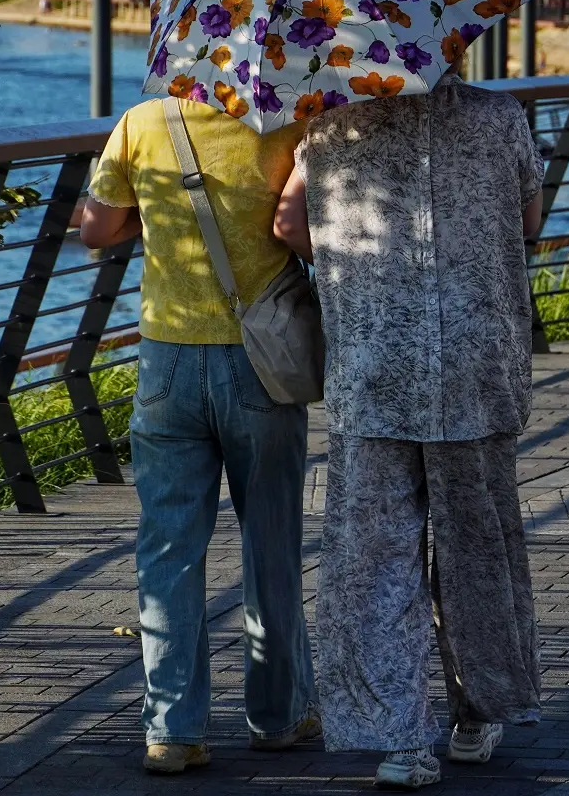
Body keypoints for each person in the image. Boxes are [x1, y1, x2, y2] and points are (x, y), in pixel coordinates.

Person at [273, 72, 544, 791]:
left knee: (373, 559)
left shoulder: (333, 128)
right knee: (478, 549)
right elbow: (529, 222)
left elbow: (287, 226)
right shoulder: (499, 118)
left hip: (373, 368)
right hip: (476, 365)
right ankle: (476, 711)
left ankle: (398, 738)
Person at [79, 96, 319, 774]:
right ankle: (278, 716)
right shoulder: (288, 124)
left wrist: (149, 221)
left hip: (166, 360)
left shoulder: (142, 121)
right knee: (270, 539)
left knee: (168, 545)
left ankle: (173, 730)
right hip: (260, 360)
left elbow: (97, 231)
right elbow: (298, 226)